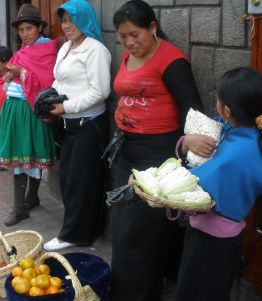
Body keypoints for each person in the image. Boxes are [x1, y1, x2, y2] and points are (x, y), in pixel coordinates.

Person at [108, 1, 204, 300]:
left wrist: (186, 146)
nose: (129, 42)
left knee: (139, 233)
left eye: (135, 34)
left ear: (152, 27)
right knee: (125, 228)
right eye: (123, 36)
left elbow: (194, 113)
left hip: (158, 158)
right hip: (128, 152)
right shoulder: (127, 56)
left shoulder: (172, 61)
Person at [173, 67, 262, 301]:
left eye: (218, 98)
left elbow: (191, 190)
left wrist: (177, 159)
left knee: (197, 293)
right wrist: (186, 142)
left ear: (226, 110)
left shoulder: (235, 157)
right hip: (221, 239)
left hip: (210, 242)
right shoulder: (239, 134)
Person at [43, 0, 111, 251]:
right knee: (70, 180)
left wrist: (65, 107)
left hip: (89, 125)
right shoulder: (66, 48)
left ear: (85, 20)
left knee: (82, 183)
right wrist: (50, 97)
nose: (67, 25)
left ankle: (73, 235)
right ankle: (83, 231)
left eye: (72, 19)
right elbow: (60, 79)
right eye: (63, 20)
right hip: (69, 125)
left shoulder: (96, 50)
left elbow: (101, 91)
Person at [0, 4, 58, 226]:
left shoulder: (47, 50)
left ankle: (23, 205)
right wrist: (10, 76)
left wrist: (21, 73)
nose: (25, 34)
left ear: (39, 27)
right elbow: (15, 73)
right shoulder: (22, 51)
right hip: (14, 109)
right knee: (20, 157)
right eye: (21, 30)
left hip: (29, 110)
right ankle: (27, 201)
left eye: (29, 28)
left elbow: (47, 83)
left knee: (29, 156)